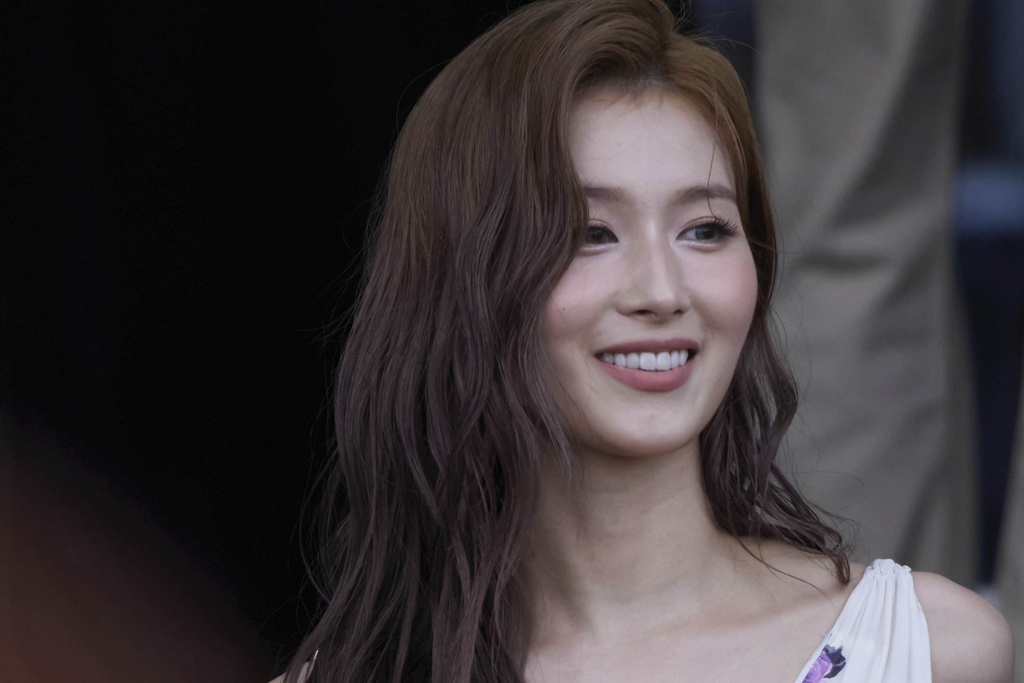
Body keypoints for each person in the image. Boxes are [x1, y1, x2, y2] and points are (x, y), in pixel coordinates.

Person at [276, 1, 1013, 681]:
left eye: (705, 229)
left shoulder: (933, 648)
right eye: (591, 233)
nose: (661, 291)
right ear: (465, 275)